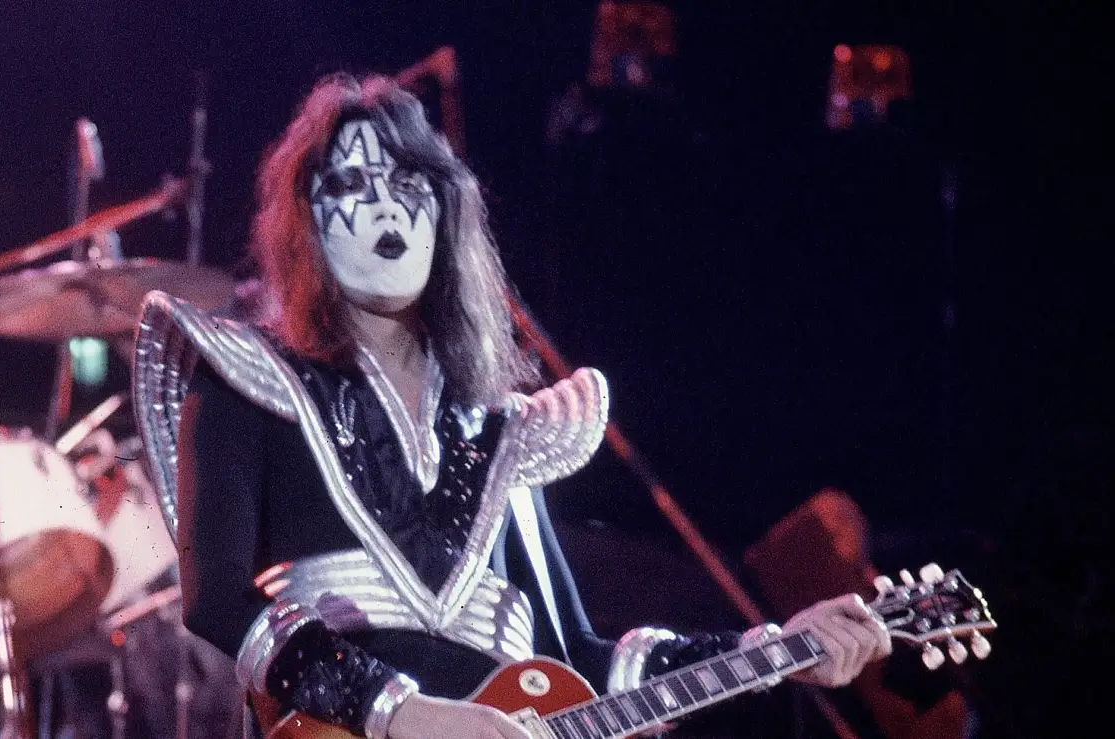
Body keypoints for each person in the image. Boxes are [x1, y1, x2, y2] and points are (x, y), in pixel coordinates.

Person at [130, 72, 891, 739]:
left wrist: (776, 650)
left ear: (445, 209)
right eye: (352, 184)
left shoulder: (502, 432)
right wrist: (403, 714)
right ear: (306, 220)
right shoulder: (245, 378)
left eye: (408, 182)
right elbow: (216, 600)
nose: (386, 206)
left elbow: (580, 659)